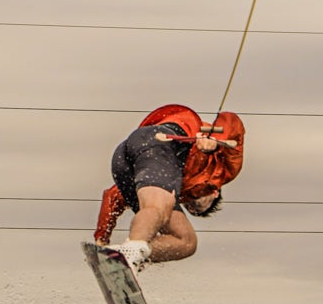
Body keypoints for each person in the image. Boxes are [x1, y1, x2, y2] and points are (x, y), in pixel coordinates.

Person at [94, 105, 245, 276]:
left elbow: (113, 196)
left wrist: (102, 239)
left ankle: (127, 255)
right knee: (159, 208)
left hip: (127, 163)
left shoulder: (174, 187)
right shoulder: (225, 171)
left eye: (191, 210)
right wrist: (216, 140)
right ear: (214, 193)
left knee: (186, 241)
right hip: (158, 141)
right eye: (198, 207)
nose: (190, 206)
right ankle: (131, 251)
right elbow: (231, 120)